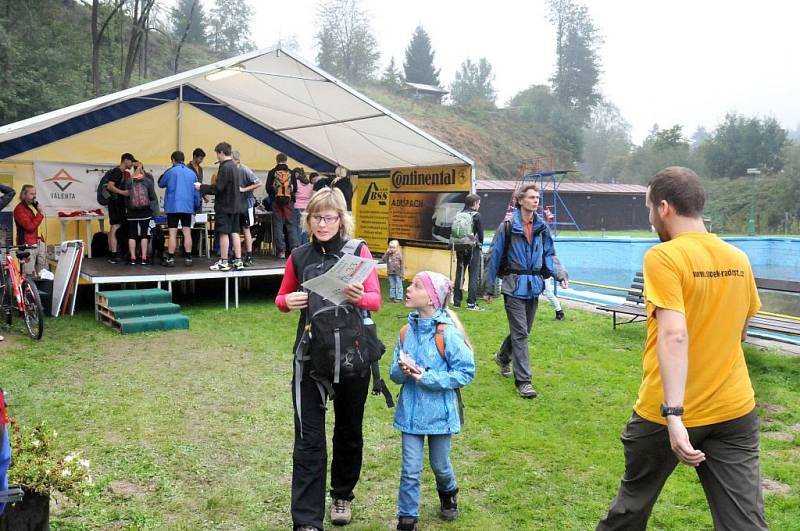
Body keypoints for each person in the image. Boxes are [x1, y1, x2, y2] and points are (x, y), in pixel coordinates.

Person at [597, 167, 768, 531]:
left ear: (664, 207)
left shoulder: (664, 257)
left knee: (631, 509)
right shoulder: (738, 259)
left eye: (648, 208)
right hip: (733, 410)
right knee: (745, 524)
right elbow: (741, 330)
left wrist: (674, 414)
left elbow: (674, 334)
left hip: (665, 415)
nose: (649, 217)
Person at [275, 188, 381, 531]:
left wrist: (360, 297)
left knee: (349, 431)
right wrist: (286, 302)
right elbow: (281, 295)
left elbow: (376, 300)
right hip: (311, 357)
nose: (323, 223)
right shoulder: (299, 256)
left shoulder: (358, 251)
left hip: (353, 355)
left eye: (330, 217)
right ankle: (306, 521)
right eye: (317, 217)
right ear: (308, 220)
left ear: (341, 219)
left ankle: (342, 496)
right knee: (308, 439)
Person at [390, 271, 475, 531]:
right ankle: (407, 518)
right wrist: (403, 371)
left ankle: (448, 492)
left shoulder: (447, 334)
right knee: (410, 469)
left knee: (440, 465)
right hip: (410, 415)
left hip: (440, 415)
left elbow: (465, 372)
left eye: (416, 286)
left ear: (431, 299)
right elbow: (394, 374)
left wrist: (425, 377)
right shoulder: (406, 332)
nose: (408, 288)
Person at [483, 183, 560, 399]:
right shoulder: (507, 226)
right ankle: (524, 381)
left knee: (524, 331)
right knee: (520, 333)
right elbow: (494, 256)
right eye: (531, 197)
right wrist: (489, 288)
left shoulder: (541, 228)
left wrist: (560, 274)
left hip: (534, 286)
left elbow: (549, 254)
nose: (536, 200)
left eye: (537, 197)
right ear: (520, 200)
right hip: (513, 285)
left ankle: (502, 357)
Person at [196, 142, 243, 271]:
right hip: (235, 206)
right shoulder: (235, 166)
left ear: (221, 153)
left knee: (223, 233)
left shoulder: (224, 167)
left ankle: (224, 261)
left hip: (225, 206)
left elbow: (218, 188)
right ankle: (238, 261)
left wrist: (202, 187)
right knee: (235, 232)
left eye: (217, 154)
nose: (217, 157)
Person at [159, 150, 200, 267]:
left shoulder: (171, 171)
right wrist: (195, 206)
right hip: (187, 207)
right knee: (187, 232)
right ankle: (188, 258)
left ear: (173, 160)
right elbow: (196, 193)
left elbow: (161, 184)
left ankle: (170, 259)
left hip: (173, 207)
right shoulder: (192, 173)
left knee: (172, 233)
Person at [119, 162, 158, 265]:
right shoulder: (148, 181)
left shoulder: (128, 182)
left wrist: (129, 207)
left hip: (132, 213)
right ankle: (144, 258)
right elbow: (152, 197)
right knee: (144, 235)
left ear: (134, 169)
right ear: (143, 169)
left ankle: (132, 258)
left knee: (132, 235)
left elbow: (126, 197)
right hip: (145, 212)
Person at [452, 193, 485, 310]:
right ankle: (471, 303)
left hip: (460, 246)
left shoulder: (459, 214)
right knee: (473, 275)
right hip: (472, 248)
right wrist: (480, 245)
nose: (479, 206)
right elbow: (480, 235)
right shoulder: (477, 215)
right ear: (475, 203)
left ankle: (456, 301)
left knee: (460, 273)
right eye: (479, 203)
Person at [103, 153, 135, 263]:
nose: (131, 164)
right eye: (131, 161)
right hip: (116, 203)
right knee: (115, 227)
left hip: (116, 203)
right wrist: (123, 192)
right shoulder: (117, 172)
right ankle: (113, 254)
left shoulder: (121, 172)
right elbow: (110, 186)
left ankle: (112, 252)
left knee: (114, 227)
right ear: (125, 160)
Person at [265, 153, 299, 258]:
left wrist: (274, 197)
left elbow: (268, 188)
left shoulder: (272, 172)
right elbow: (295, 189)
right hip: (289, 203)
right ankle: (294, 250)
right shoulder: (291, 172)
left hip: (277, 202)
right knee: (291, 225)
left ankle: (281, 251)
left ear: (276, 160)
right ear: (286, 160)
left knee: (278, 226)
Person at [232, 150, 261, 267]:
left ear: (237, 160)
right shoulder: (232, 171)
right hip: (236, 204)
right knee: (235, 230)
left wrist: (244, 189)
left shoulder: (244, 170)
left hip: (246, 204)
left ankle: (249, 255)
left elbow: (259, 183)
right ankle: (237, 254)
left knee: (246, 229)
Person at [12, 185, 48, 278]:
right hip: (27, 246)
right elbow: (30, 227)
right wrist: (40, 213)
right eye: (31, 194)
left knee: (43, 273)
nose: (34, 196)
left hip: (38, 243)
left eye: (35, 193)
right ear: (24, 194)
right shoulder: (19, 209)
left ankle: (41, 292)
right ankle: (28, 292)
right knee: (28, 276)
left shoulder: (31, 206)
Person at [541, 255, 568, 320]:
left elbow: (553, 260)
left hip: (545, 274)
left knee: (548, 292)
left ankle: (559, 312)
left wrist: (561, 277)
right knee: (546, 292)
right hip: (539, 273)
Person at [294, 169, 313, 244]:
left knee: (297, 228)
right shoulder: (310, 185)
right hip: (307, 208)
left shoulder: (295, 183)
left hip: (297, 206)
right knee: (305, 227)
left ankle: (299, 247)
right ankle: (305, 245)